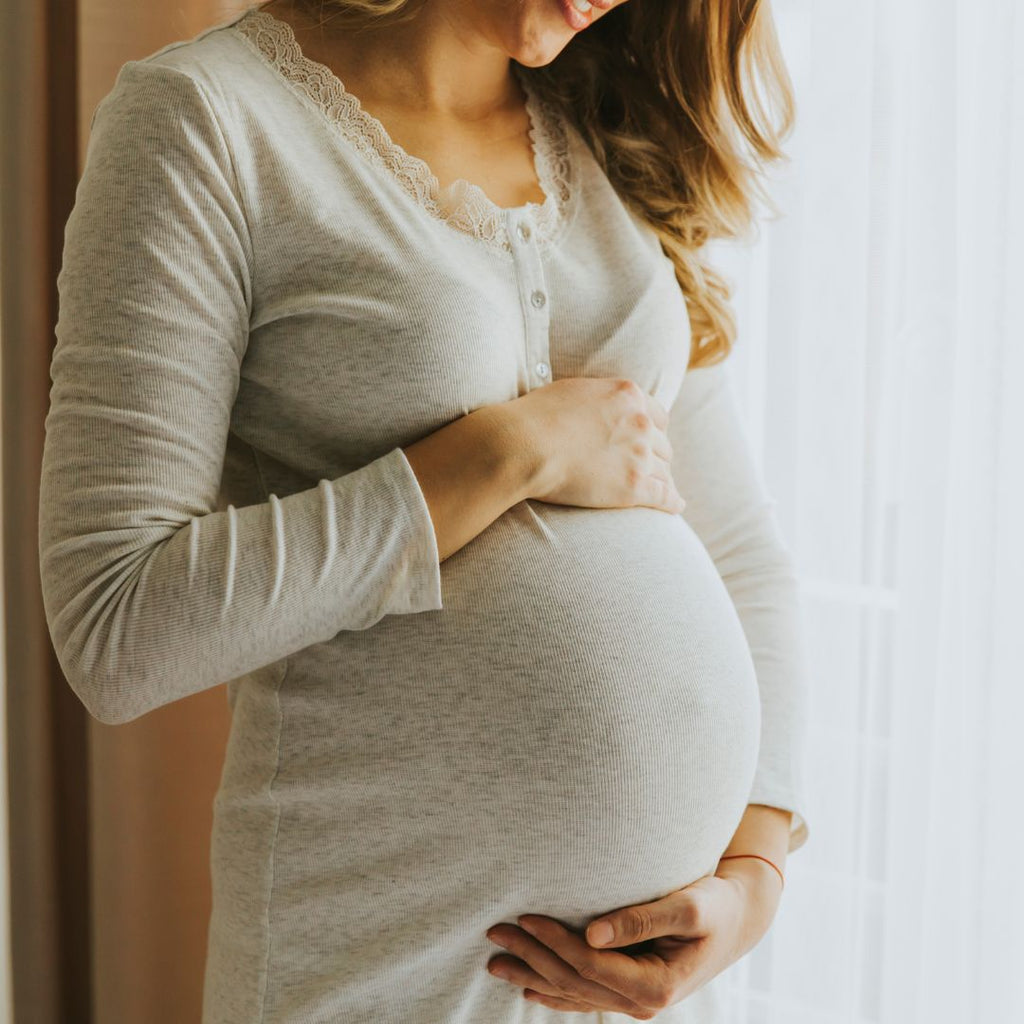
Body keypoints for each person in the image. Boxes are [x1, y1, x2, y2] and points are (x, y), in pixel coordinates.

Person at [38, 0, 811, 1019]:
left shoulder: (605, 123)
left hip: (630, 983)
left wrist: (753, 872)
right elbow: (115, 627)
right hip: (378, 960)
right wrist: (498, 456)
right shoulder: (209, 122)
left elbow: (740, 550)